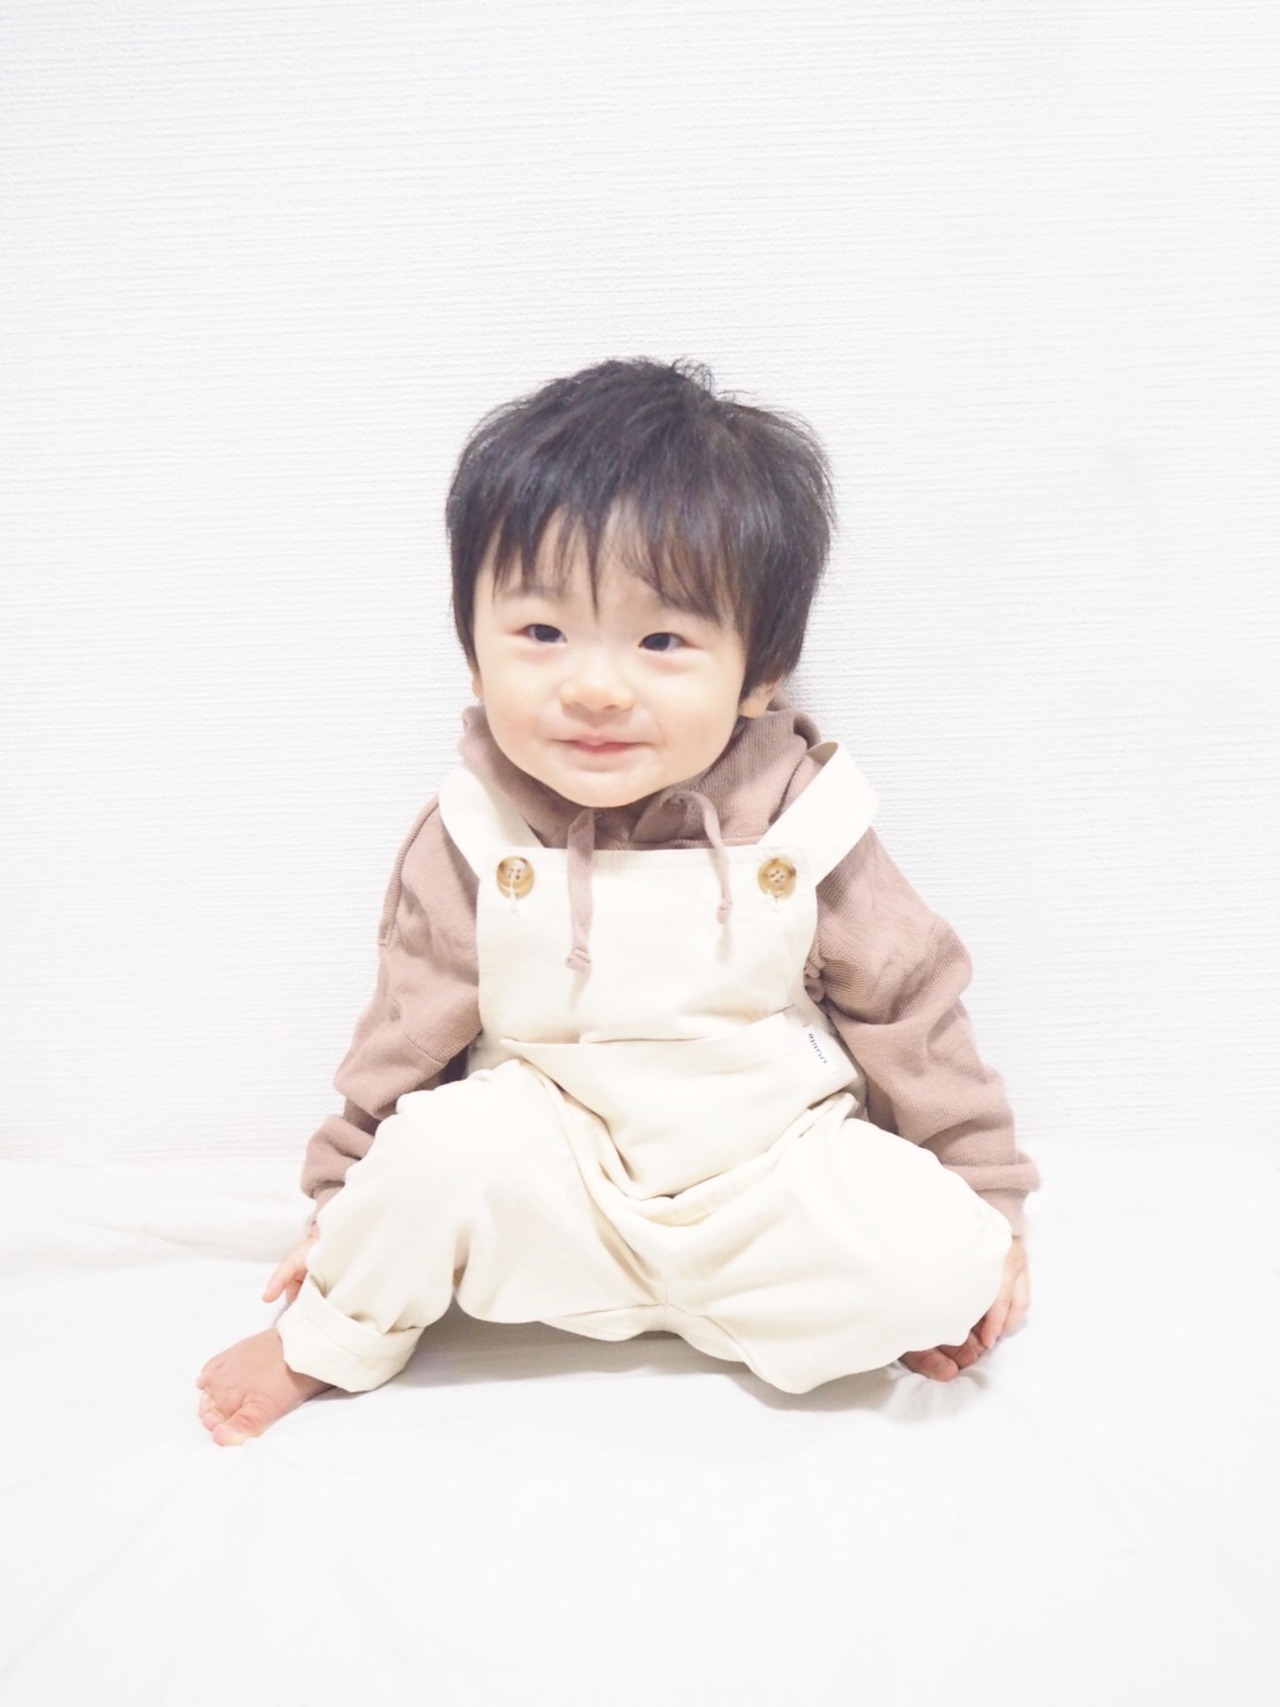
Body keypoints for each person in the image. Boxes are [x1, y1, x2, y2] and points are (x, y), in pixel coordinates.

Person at [197, 358, 1039, 1446]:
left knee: (944, 1264)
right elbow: (400, 1041)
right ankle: (324, 1346)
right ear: (472, 651)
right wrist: (346, 1214)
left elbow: (913, 1012)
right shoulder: (474, 831)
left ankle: (794, 1303)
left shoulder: (806, 821)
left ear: (760, 674)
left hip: (766, 1173)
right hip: (556, 1182)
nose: (594, 688)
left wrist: (987, 1204)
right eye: (542, 633)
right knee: (439, 1151)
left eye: (661, 642)